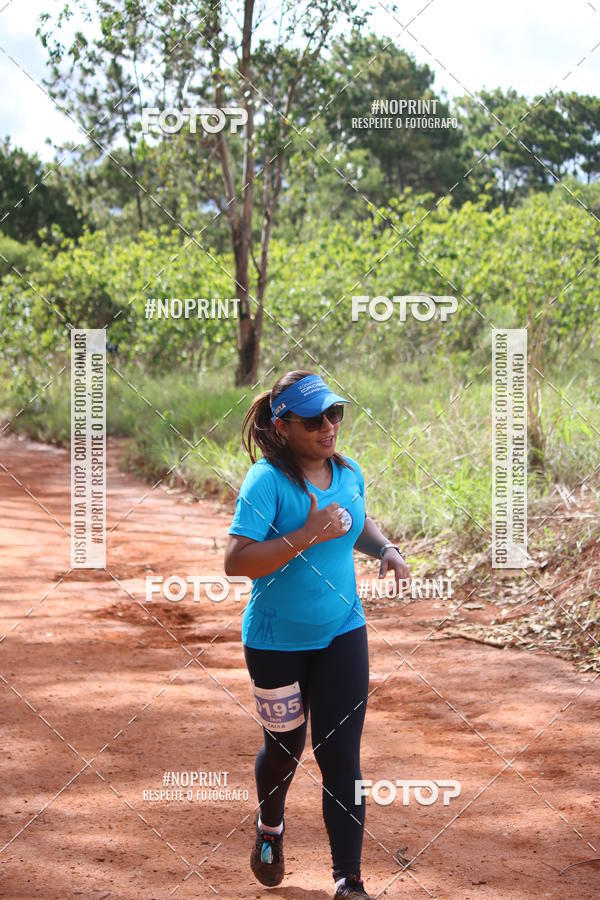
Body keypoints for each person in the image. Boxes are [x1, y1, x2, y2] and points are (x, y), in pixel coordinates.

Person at [224, 370, 410, 899]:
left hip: (342, 634)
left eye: (335, 413)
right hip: (275, 642)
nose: (328, 426)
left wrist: (387, 549)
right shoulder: (268, 482)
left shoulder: (348, 472)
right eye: (313, 419)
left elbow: (355, 521)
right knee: (285, 749)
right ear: (283, 426)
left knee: (341, 755)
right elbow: (237, 562)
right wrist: (307, 533)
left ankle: (348, 880)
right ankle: (270, 827)